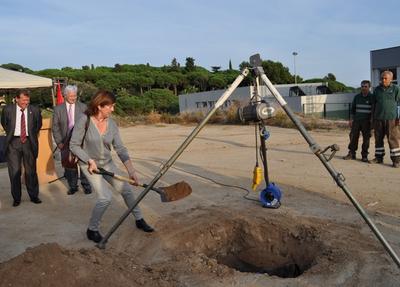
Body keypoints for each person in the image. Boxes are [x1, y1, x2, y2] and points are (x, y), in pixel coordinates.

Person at [70, 90, 154, 243]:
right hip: (89, 166)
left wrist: (131, 171)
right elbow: (74, 145)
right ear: (100, 106)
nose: (113, 109)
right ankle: (92, 229)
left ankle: (139, 219)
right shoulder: (84, 120)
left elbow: (120, 149)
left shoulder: (112, 124)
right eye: (110, 106)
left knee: (126, 190)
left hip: (107, 163)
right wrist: (89, 160)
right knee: (105, 197)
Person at [1, 90, 42, 206]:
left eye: (27, 100)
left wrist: (30, 135)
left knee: (31, 171)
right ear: (17, 99)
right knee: (14, 172)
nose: (26, 102)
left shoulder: (34, 110)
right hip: (13, 142)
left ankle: (34, 196)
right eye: (23, 100)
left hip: (29, 142)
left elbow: (38, 125)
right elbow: (4, 123)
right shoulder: (8, 110)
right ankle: (16, 198)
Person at [52, 85, 92, 195]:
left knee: (84, 163)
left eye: (75, 96)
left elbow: (89, 125)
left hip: (81, 142)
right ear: (65, 96)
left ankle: (86, 185)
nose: (73, 98)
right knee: (70, 166)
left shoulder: (83, 107)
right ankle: (73, 186)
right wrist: (59, 142)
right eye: (71, 96)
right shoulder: (58, 109)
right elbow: (55, 127)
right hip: (65, 142)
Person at [371, 71, 400, 168]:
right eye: (382, 78)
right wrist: (373, 118)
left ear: (391, 79)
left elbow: (399, 104)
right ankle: (379, 158)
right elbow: (374, 104)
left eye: (385, 78)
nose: (383, 80)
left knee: (393, 139)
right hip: (378, 118)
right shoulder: (377, 90)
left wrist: (398, 117)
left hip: (392, 119)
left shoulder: (396, 89)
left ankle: (396, 161)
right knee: (378, 139)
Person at [343, 80, 373, 162]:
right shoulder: (357, 97)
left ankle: (364, 155)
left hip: (367, 122)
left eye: (365, 86)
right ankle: (352, 153)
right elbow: (353, 110)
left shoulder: (372, 97)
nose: (363, 88)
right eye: (362, 86)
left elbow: (374, 110)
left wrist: (372, 121)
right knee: (353, 137)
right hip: (356, 121)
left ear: (369, 87)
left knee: (366, 139)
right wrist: (351, 119)